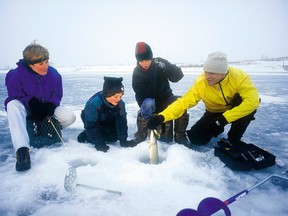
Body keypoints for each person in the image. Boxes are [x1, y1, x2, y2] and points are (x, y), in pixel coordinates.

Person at [148, 51, 260, 147]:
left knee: (248, 106)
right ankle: (217, 129)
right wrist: (162, 116)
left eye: (212, 73)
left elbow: (253, 101)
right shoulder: (201, 82)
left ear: (223, 72)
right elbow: (183, 103)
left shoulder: (238, 77)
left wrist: (223, 120)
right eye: (206, 71)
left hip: (234, 107)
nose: (207, 76)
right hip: (213, 112)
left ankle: (233, 138)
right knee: (196, 138)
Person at [4, 41, 76, 172]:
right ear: (30, 64)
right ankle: (22, 151)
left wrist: (51, 104)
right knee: (12, 105)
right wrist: (31, 102)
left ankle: (48, 128)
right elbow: (15, 95)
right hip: (27, 108)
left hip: (46, 107)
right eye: (41, 64)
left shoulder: (53, 74)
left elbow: (57, 94)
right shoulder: (15, 75)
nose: (45, 66)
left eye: (47, 62)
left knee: (69, 117)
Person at [132, 41, 190, 147]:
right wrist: (153, 76)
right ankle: (141, 134)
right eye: (141, 61)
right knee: (149, 103)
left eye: (147, 60)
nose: (145, 63)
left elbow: (178, 76)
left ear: (151, 58)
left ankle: (180, 136)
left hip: (166, 98)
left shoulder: (160, 63)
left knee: (181, 103)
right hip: (148, 103)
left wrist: (166, 69)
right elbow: (141, 95)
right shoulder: (137, 74)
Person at [77, 76, 137, 152]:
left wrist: (123, 141)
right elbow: (90, 125)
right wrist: (99, 143)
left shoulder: (120, 104)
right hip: (93, 122)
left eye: (120, 96)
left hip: (108, 120)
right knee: (96, 136)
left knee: (113, 138)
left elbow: (122, 123)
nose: (119, 99)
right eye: (116, 97)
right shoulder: (94, 103)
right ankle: (85, 135)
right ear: (107, 94)